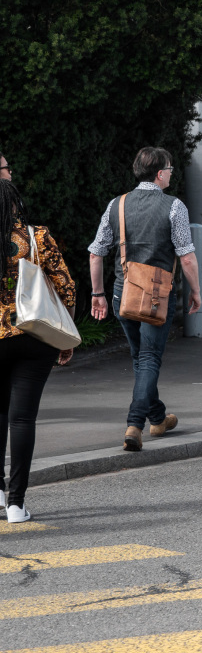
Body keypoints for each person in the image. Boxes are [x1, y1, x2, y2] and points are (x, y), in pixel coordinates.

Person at [87, 147, 202, 453]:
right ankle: (135, 424)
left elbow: (96, 252)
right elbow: (187, 258)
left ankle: (159, 417)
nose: (171, 174)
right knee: (149, 359)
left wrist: (97, 294)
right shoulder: (174, 207)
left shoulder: (117, 204)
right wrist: (196, 291)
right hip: (156, 297)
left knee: (141, 359)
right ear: (160, 173)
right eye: (170, 169)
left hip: (121, 294)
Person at [1, 165, 76, 524]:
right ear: (15, 204)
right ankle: (16, 504)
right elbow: (66, 287)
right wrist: (64, 335)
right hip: (34, 337)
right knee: (23, 417)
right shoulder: (36, 237)